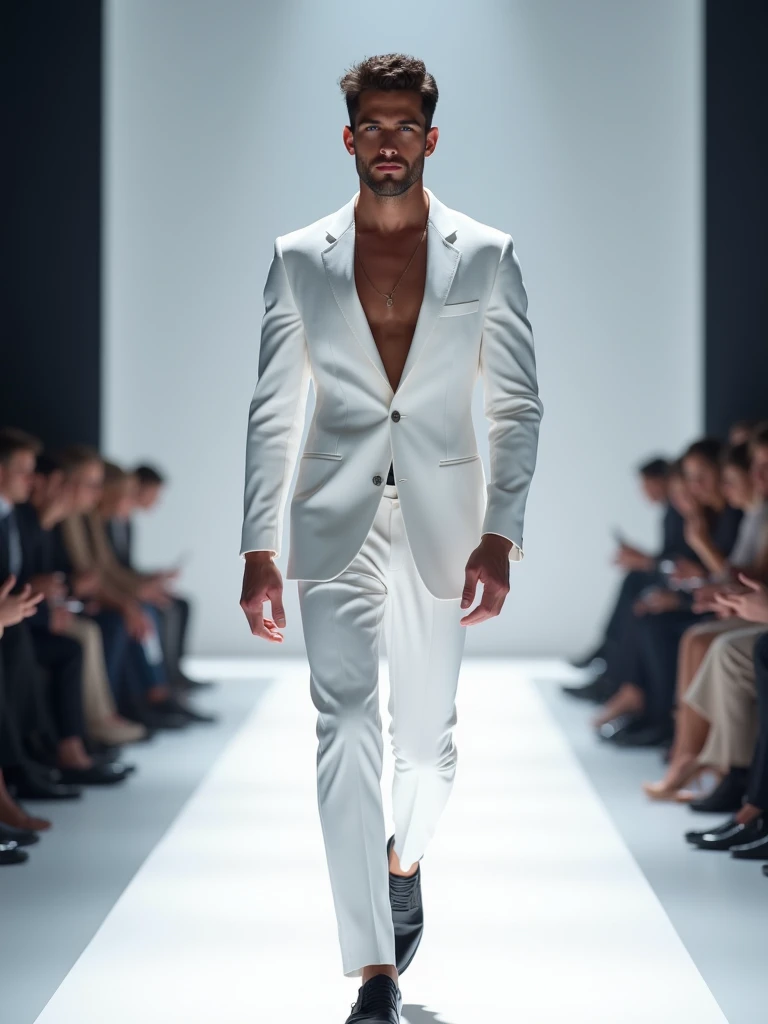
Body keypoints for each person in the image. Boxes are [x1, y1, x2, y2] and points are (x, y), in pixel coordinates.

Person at [238, 54, 542, 1023]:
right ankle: (374, 969)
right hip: (332, 524)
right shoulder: (298, 258)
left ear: (431, 138)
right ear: (349, 138)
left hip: (443, 528)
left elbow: (519, 406)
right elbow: (273, 412)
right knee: (344, 729)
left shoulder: (487, 255)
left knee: (429, 751)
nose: (388, 144)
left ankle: (403, 859)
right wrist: (256, 546)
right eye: (372, 127)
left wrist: (504, 533)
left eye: (404, 127)